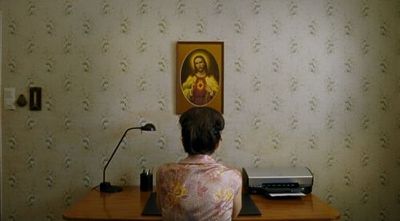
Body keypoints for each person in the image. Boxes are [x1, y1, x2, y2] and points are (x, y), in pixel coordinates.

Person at [156, 107, 242, 221]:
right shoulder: (233, 177)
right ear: (217, 144)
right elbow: (234, 214)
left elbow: (161, 208)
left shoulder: (163, 173)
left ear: (182, 141)